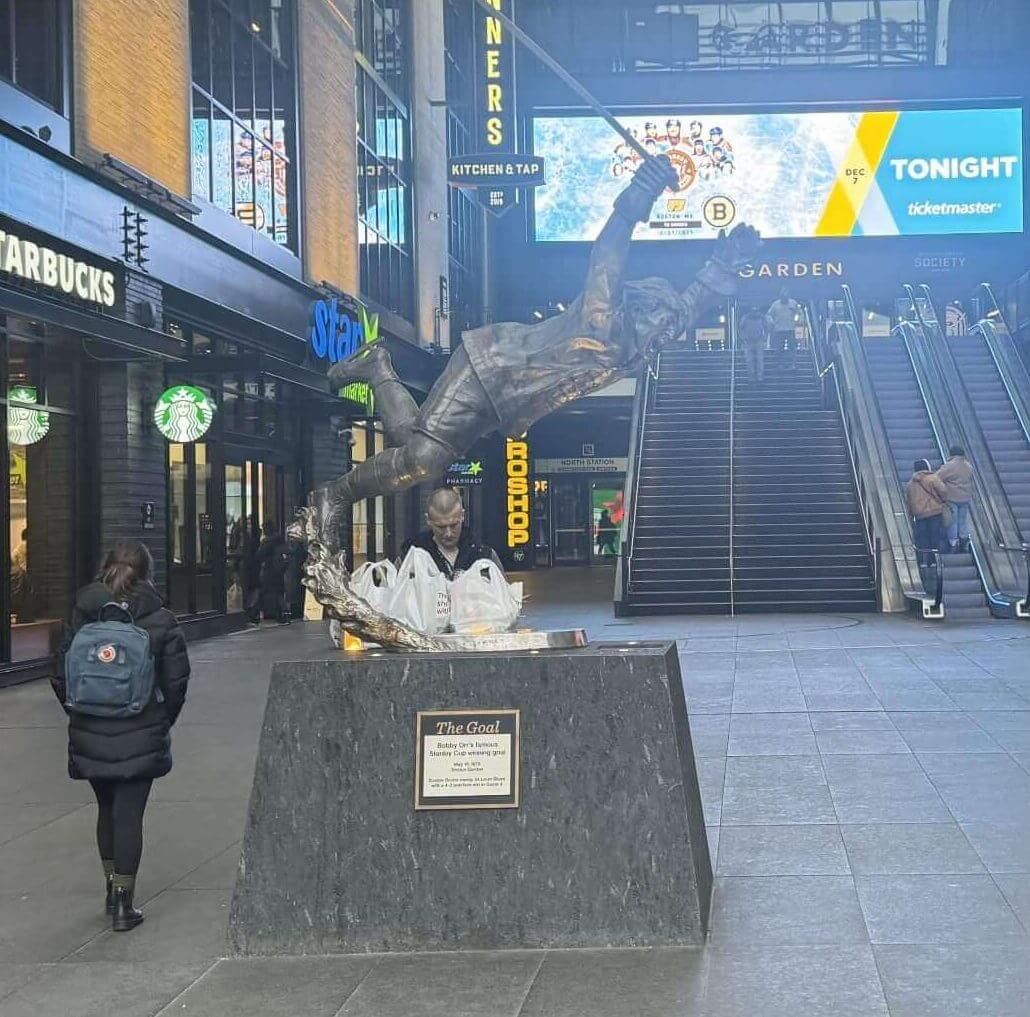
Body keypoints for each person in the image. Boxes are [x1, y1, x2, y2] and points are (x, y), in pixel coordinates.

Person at [308, 155, 760, 551]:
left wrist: (724, 264)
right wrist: (642, 189)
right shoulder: (603, 318)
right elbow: (609, 251)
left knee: (414, 443)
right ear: (640, 311)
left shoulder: (636, 344)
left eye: (667, 333)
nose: (664, 337)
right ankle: (336, 494)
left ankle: (376, 366)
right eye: (660, 328)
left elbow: (686, 306)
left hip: (503, 401)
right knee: (425, 458)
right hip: (491, 368)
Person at [51, 542, 190, 932]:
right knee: (129, 814)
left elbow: (60, 671)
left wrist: (79, 710)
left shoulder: (82, 610)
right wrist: (160, 720)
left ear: (105, 566)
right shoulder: (160, 618)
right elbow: (176, 681)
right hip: (140, 729)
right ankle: (124, 904)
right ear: (148, 572)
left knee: (105, 810)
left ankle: (110, 888)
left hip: (89, 728)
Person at [398, 487, 503, 581]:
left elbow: (504, 597)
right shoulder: (411, 555)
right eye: (441, 527)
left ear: (462, 515)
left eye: (453, 525)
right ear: (428, 520)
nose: (448, 533)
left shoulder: (483, 554)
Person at [905, 459, 948, 567]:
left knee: (922, 538)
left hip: (919, 515)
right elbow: (943, 491)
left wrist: (911, 514)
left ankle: (923, 561)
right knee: (934, 536)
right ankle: (934, 561)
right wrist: (942, 500)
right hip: (934, 512)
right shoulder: (933, 478)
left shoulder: (910, 484)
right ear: (926, 467)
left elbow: (909, 501)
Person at [936, 445, 974, 552]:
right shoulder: (968, 466)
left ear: (951, 454)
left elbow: (936, 477)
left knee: (952, 520)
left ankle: (953, 541)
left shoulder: (949, 466)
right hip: (965, 498)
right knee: (962, 520)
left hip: (951, 498)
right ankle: (964, 538)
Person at [256, 522, 290, 623]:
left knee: (263, 592)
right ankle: (284, 615)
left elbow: (259, 555)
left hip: (269, 570)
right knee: (278, 593)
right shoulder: (280, 539)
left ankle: (254, 613)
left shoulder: (267, 541)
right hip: (279, 571)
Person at [766, 288, 802, 363]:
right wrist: (772, 323)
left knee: (792, 348)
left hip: (791, 329)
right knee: (779, 349)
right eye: (783, 296)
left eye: (786, 296)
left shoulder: (793, 303)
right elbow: (769, 315)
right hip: (779, 329)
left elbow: (799, 313)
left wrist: (796, 319)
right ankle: (780, 364)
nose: (784, 297)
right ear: (780, 296)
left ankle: (792, 364)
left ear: (788, 296)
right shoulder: (775, 304)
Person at [737, 307, 768, 383]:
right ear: (750, 311)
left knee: (759, 360)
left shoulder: (761, 317)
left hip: (758, 341)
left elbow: (766, 327)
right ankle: (751, 377)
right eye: (753, 311)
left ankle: (759, 377)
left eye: (756, 311)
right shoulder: (745, 318)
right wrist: (742, 337)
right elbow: (740, 327)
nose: (754, 313)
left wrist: (765, 336)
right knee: (749, 360)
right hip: (748, 342)